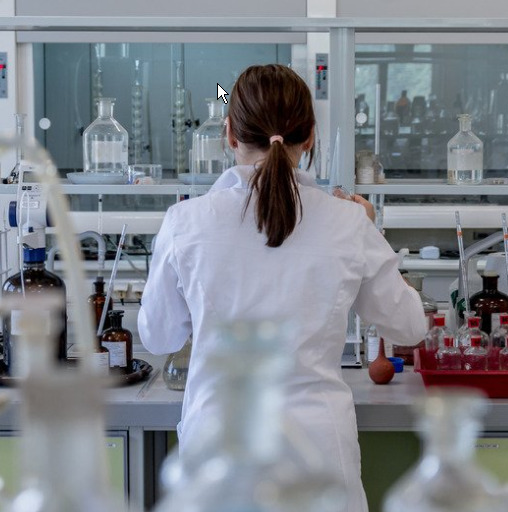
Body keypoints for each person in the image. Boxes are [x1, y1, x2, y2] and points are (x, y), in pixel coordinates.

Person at [138, 64, 427, 511]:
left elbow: (159, 337)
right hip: (318, 457)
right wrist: (372, 231)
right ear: (309, 136)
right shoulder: (347, 221)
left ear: (230, 133)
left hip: (218, 456)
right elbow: (410, 327)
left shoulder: (185, 222)